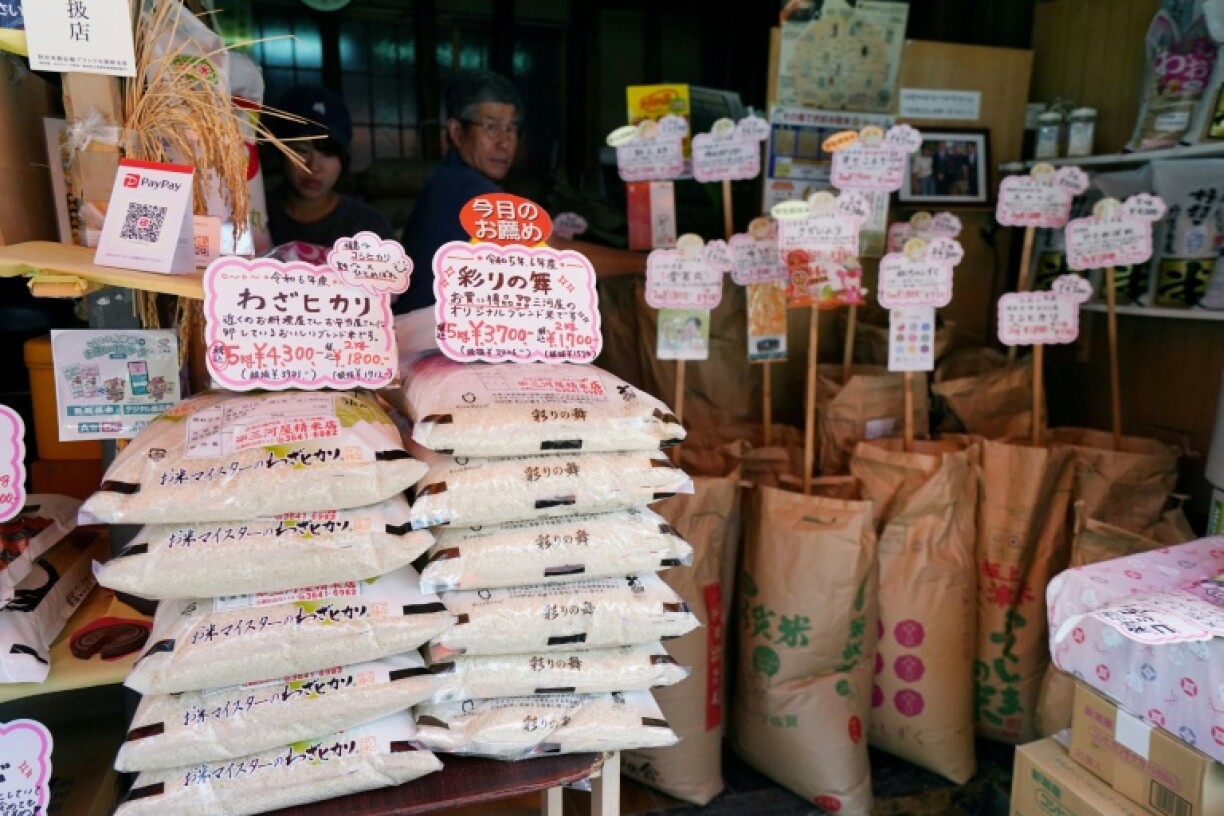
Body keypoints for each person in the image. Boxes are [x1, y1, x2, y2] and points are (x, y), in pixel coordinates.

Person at [395, 69, 644, 315]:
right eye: (491, 127)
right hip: (434, 345)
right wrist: (648, 263)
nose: (504, 142)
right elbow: (556, 254)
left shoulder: (450, 177)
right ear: (457, 133)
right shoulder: (471, 191)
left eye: (512, 129)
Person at [265, 84, 393, 248]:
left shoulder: (368, 228)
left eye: (328, 154)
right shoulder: (253, 214)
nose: (313, 166)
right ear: (279, 151)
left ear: (343, 159)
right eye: (301, 150)